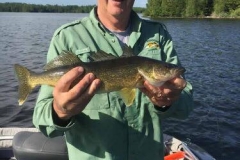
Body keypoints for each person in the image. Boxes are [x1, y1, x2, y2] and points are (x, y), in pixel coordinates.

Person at [33, 0, 194, 160]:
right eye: (166, 68)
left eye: (165, 68)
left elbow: (186, 106)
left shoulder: (159, 34)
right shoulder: (66, 37)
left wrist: (170, 101)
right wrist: (60, 112)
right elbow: (41, 119)